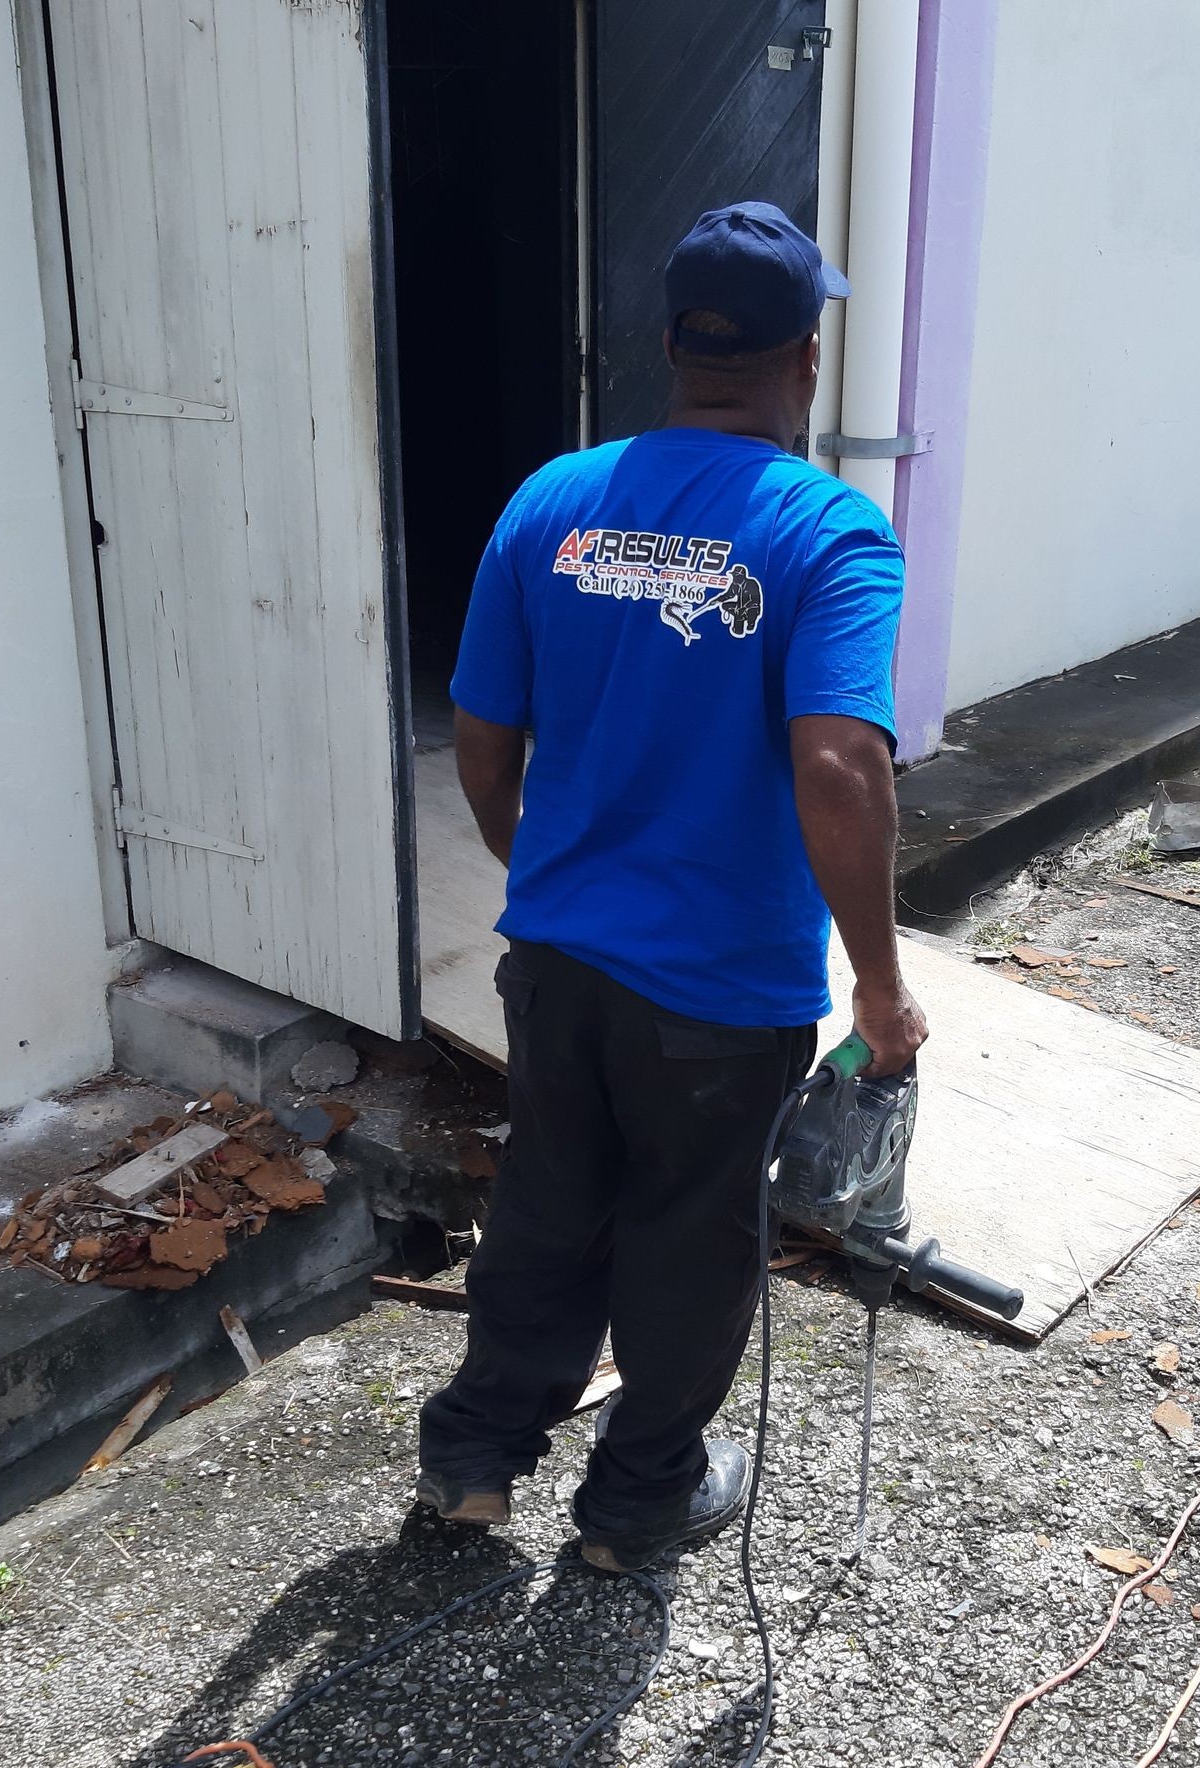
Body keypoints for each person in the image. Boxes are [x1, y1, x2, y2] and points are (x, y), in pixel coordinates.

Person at [415, 201, 926, 1574]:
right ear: (802, 361)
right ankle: (639, 1501)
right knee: (691, 1239)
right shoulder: (827, 532)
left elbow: (480, 731)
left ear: (671, 345)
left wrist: (531, 861)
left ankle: (476, 1457)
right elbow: (839, 769)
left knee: (549, 1202)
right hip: (721, 984)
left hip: (562, 957)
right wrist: (880, 985)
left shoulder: (553, 500)